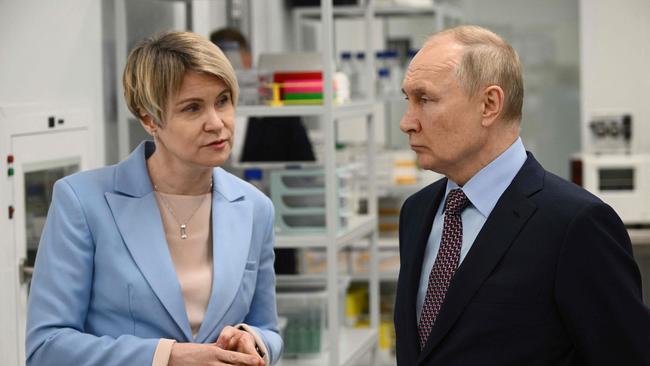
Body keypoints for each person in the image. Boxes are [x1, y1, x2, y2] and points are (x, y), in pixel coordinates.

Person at [395, 25, 650, 365]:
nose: (407, 122)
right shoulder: (417, 212)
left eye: (425, 100)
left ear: (489, 104)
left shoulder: (574, 224)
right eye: (408, 100)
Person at [26, 31, 282, 366]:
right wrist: (166, 357)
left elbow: (268, 328)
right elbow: (46, 347)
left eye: (222, 101)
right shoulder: (82, 202)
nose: (217, 123)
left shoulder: (254, 207)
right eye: (192, 108)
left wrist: (254, 340)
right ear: (149, 119)